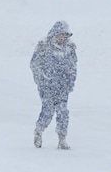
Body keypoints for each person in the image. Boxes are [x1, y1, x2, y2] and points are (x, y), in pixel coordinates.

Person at [30, 20, 77, 150]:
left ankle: (62, 139)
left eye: (65, 35)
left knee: (63, 112)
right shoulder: (44, 46)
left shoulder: (70, 48)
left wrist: (70, 82)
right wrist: (42, 80)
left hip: (63, 87)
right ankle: (39, 131)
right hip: (47, 87)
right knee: (48, 111)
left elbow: (73, 67)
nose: (62, 37)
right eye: (60, 34)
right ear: (54, 33)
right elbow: (34, 64)